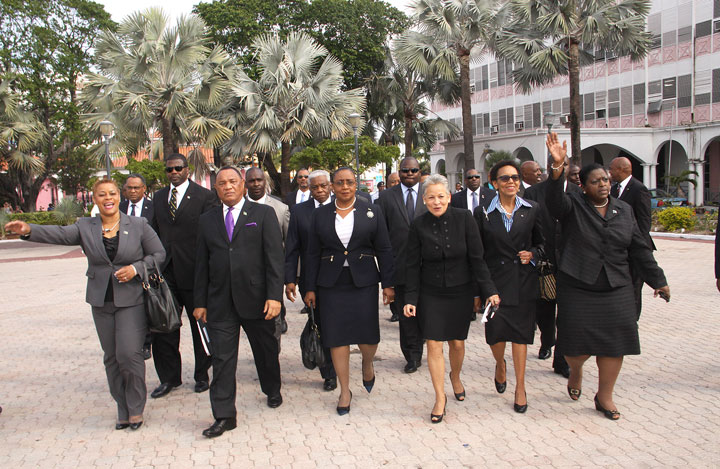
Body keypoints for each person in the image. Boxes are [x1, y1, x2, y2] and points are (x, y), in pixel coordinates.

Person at [5, 179, 165, 430]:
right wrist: (28, 229)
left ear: (119, 196)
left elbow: (159, 254)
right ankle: (122, 407)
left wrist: (136, 268)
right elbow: (58, 233)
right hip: (101, 300)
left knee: (129, 354)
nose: (108, 198)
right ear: (95, 198)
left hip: (131, 300)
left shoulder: (138, 225)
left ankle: (136, 407)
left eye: (112, 193)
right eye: (102, 194)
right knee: (111, 357)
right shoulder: (85, 226)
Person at [545, 132, 670, 420]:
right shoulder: (572, 206)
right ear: (583, 186)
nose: (602, 184)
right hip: (578, 285)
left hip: (617, 286)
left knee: (615, 345)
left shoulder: (623, 210)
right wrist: (557, 168)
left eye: (605, 180)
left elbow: (639, 247)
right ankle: (575, 372)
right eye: (595, 181)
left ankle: (604, 396)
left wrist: (658, 280)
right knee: (575, 348)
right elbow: (553, 201)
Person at [193, 167, 284, 438]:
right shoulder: (207, 220)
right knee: (221, 360)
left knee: (265, 351)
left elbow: (274, 259)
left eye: (233, 181)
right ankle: (224, 416)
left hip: (257, 300)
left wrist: (274, 296)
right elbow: (201, 265)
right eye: (222, 184)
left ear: (242, 185)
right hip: (220, 303)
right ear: (216, 189)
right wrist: (200, 302)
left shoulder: (263, 214)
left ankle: (272, 388)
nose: (228, 187)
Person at [403, 174, 499, 423]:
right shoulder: (418, 224)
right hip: (430, 292)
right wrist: (410, 298)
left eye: (441, 197)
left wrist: (489, 290)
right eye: (431, 197)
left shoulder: (464, 218)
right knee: (434, 344)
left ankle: (455, 376)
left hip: (460, 290)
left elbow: (477, 258)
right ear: (424, 200)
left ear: (449, 197)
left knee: (457, 343)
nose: (437, 202)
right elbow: (412, 264)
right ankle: (439, 397)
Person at [304, 167, 395, 415]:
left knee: (368, 337)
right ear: (332, 186)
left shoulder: (371, 211)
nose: (345, 187)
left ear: (357, 185)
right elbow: (312, 253)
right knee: (337, 337)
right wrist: (309, 287)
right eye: (340, 183)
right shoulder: (321, 215)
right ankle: (345, 390)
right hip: (331, 284)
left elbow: (384, 249)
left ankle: (367, 364)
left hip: (363, 282)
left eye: (350, 182)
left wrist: (388, 283)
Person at [474, 160, 544, 414]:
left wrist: (533, 254)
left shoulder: (532, 209)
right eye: (505, 178)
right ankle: (499, 364)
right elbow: (477, 255)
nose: (511, 182)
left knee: (521, 337)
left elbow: (544, 243)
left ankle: (521, 387)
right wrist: (481, 290)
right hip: (494, 284)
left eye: (515, 177)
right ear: (494, 183)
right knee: (495, 336)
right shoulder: (482, 213)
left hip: (523, 281)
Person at [150, 153, 217, 398]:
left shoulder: (205, 196)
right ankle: (169, 378)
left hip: (195, 271)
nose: (174, 172)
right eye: (169, 170)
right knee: (164, 327)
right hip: (166, 274)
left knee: (200, 326)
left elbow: (211, 234)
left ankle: (202, 375)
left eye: (178, 168)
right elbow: (153, 232)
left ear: (187, 169)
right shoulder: (158, 198)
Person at [523, 164, 582, 378]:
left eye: (566, 164)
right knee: (544, 308)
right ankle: (547, 341)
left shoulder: (577, 192)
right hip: (543, 260)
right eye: (558, 164)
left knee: (567, 312)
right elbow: (529, 226)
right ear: (551, 167)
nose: (563, 168)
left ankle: (562, 360)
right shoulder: (533, 192)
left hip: (570, 261)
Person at [284, 169, 337, 391]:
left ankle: (339, 362)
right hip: (311, 280)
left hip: (340, 279)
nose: (320, 190)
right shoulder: (299, 212)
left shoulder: (343, 207)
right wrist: (290, 280)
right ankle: (329, 373)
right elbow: (292, 247)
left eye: (324, 185)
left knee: (337, 324)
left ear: (330, 186)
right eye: (315, 187)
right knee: (320, 324)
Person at [376, 157, 426, 373]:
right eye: (405, 170)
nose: (409, 174)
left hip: (429, 267)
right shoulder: (386, 197)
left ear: (420, 172)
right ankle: (412, 356)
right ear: (400, 172)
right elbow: (381, 237)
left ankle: (424, 345)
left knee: (426, 312)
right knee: (407, 316)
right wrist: (387, 277)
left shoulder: (430, 193)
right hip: (401, 267)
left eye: (413, 170)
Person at [245, 167, 290, 337]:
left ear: (265, 182)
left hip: (271, 273)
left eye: (259, 180)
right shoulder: (237, 207)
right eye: (252, 181)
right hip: (245, 275)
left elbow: (287, 242)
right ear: (246, 184)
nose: (256, 184)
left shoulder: (280, 208)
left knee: (273, 318)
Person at [609, 156, 655, 319]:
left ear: (622, 169)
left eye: (612, 169)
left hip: (635, 248)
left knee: (635, 287)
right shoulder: (614, 190)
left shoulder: (638, 189)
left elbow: (644, 222)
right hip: (620, 249)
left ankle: (632, 319)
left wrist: (638, 247)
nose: (610, 172)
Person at [120, 173, 155, 360]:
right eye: (129, 188)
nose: (133, 191)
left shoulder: (153, 208)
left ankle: (147, 343)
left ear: (144, 190)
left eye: (136, 188)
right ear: (124, 190)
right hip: (125, 265)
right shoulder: (119, 208)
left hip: (147, 264)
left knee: (148, 305)